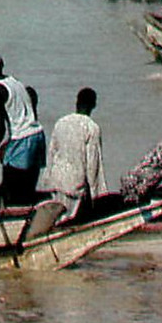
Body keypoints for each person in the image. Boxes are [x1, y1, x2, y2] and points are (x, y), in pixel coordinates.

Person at [0, 46, 46, 207]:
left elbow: (0, 129)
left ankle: (14, 218)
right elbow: (16, 102)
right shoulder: (14, 82)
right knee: (27, 188)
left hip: (21, 140)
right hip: (37, 135)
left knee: (11, 191)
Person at [44, 87, 107, 222]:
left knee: (56, 219)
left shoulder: (60, 123)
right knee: (70, 219)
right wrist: (96, 196)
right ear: (94, 105)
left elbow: (51, 154)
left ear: (77, 102)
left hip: (56, 180)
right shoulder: (92, 127)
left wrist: (48, 180)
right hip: (75, 184)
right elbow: (93, 166)